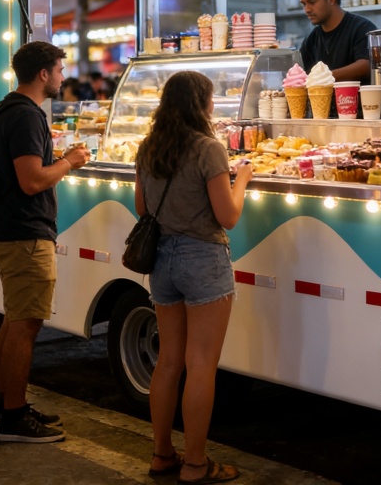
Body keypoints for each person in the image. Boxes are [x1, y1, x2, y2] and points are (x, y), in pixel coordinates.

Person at [135, 70, 253, 483]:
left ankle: (162, 455)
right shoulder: (208, 149)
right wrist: (243, 180)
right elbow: (229, 216)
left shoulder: (148, 147)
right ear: (201, 105)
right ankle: (196, 464)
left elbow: (142, 208)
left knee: (168, 362)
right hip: (202, 258)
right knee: (201, 366)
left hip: (162, 261)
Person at [0, 41, 92, 443]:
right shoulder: (27, 117)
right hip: (25, 232)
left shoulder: (8, 108)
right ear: (44, 74)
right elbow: (31, 181)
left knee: (14, 321)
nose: (63, 77)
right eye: (60, 70)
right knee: (25, 326)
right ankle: (13, 418)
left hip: (9, 229)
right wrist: (69, 162)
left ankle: (5, 406)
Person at [297, 0, 376, 99]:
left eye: (312, 2)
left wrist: (325, 77)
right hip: (324, 112)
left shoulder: (361, 28)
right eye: (304, 4)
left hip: (359, 110)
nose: (307, 9)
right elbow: (302, 71)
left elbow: (367, 64)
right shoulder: (312, 39)